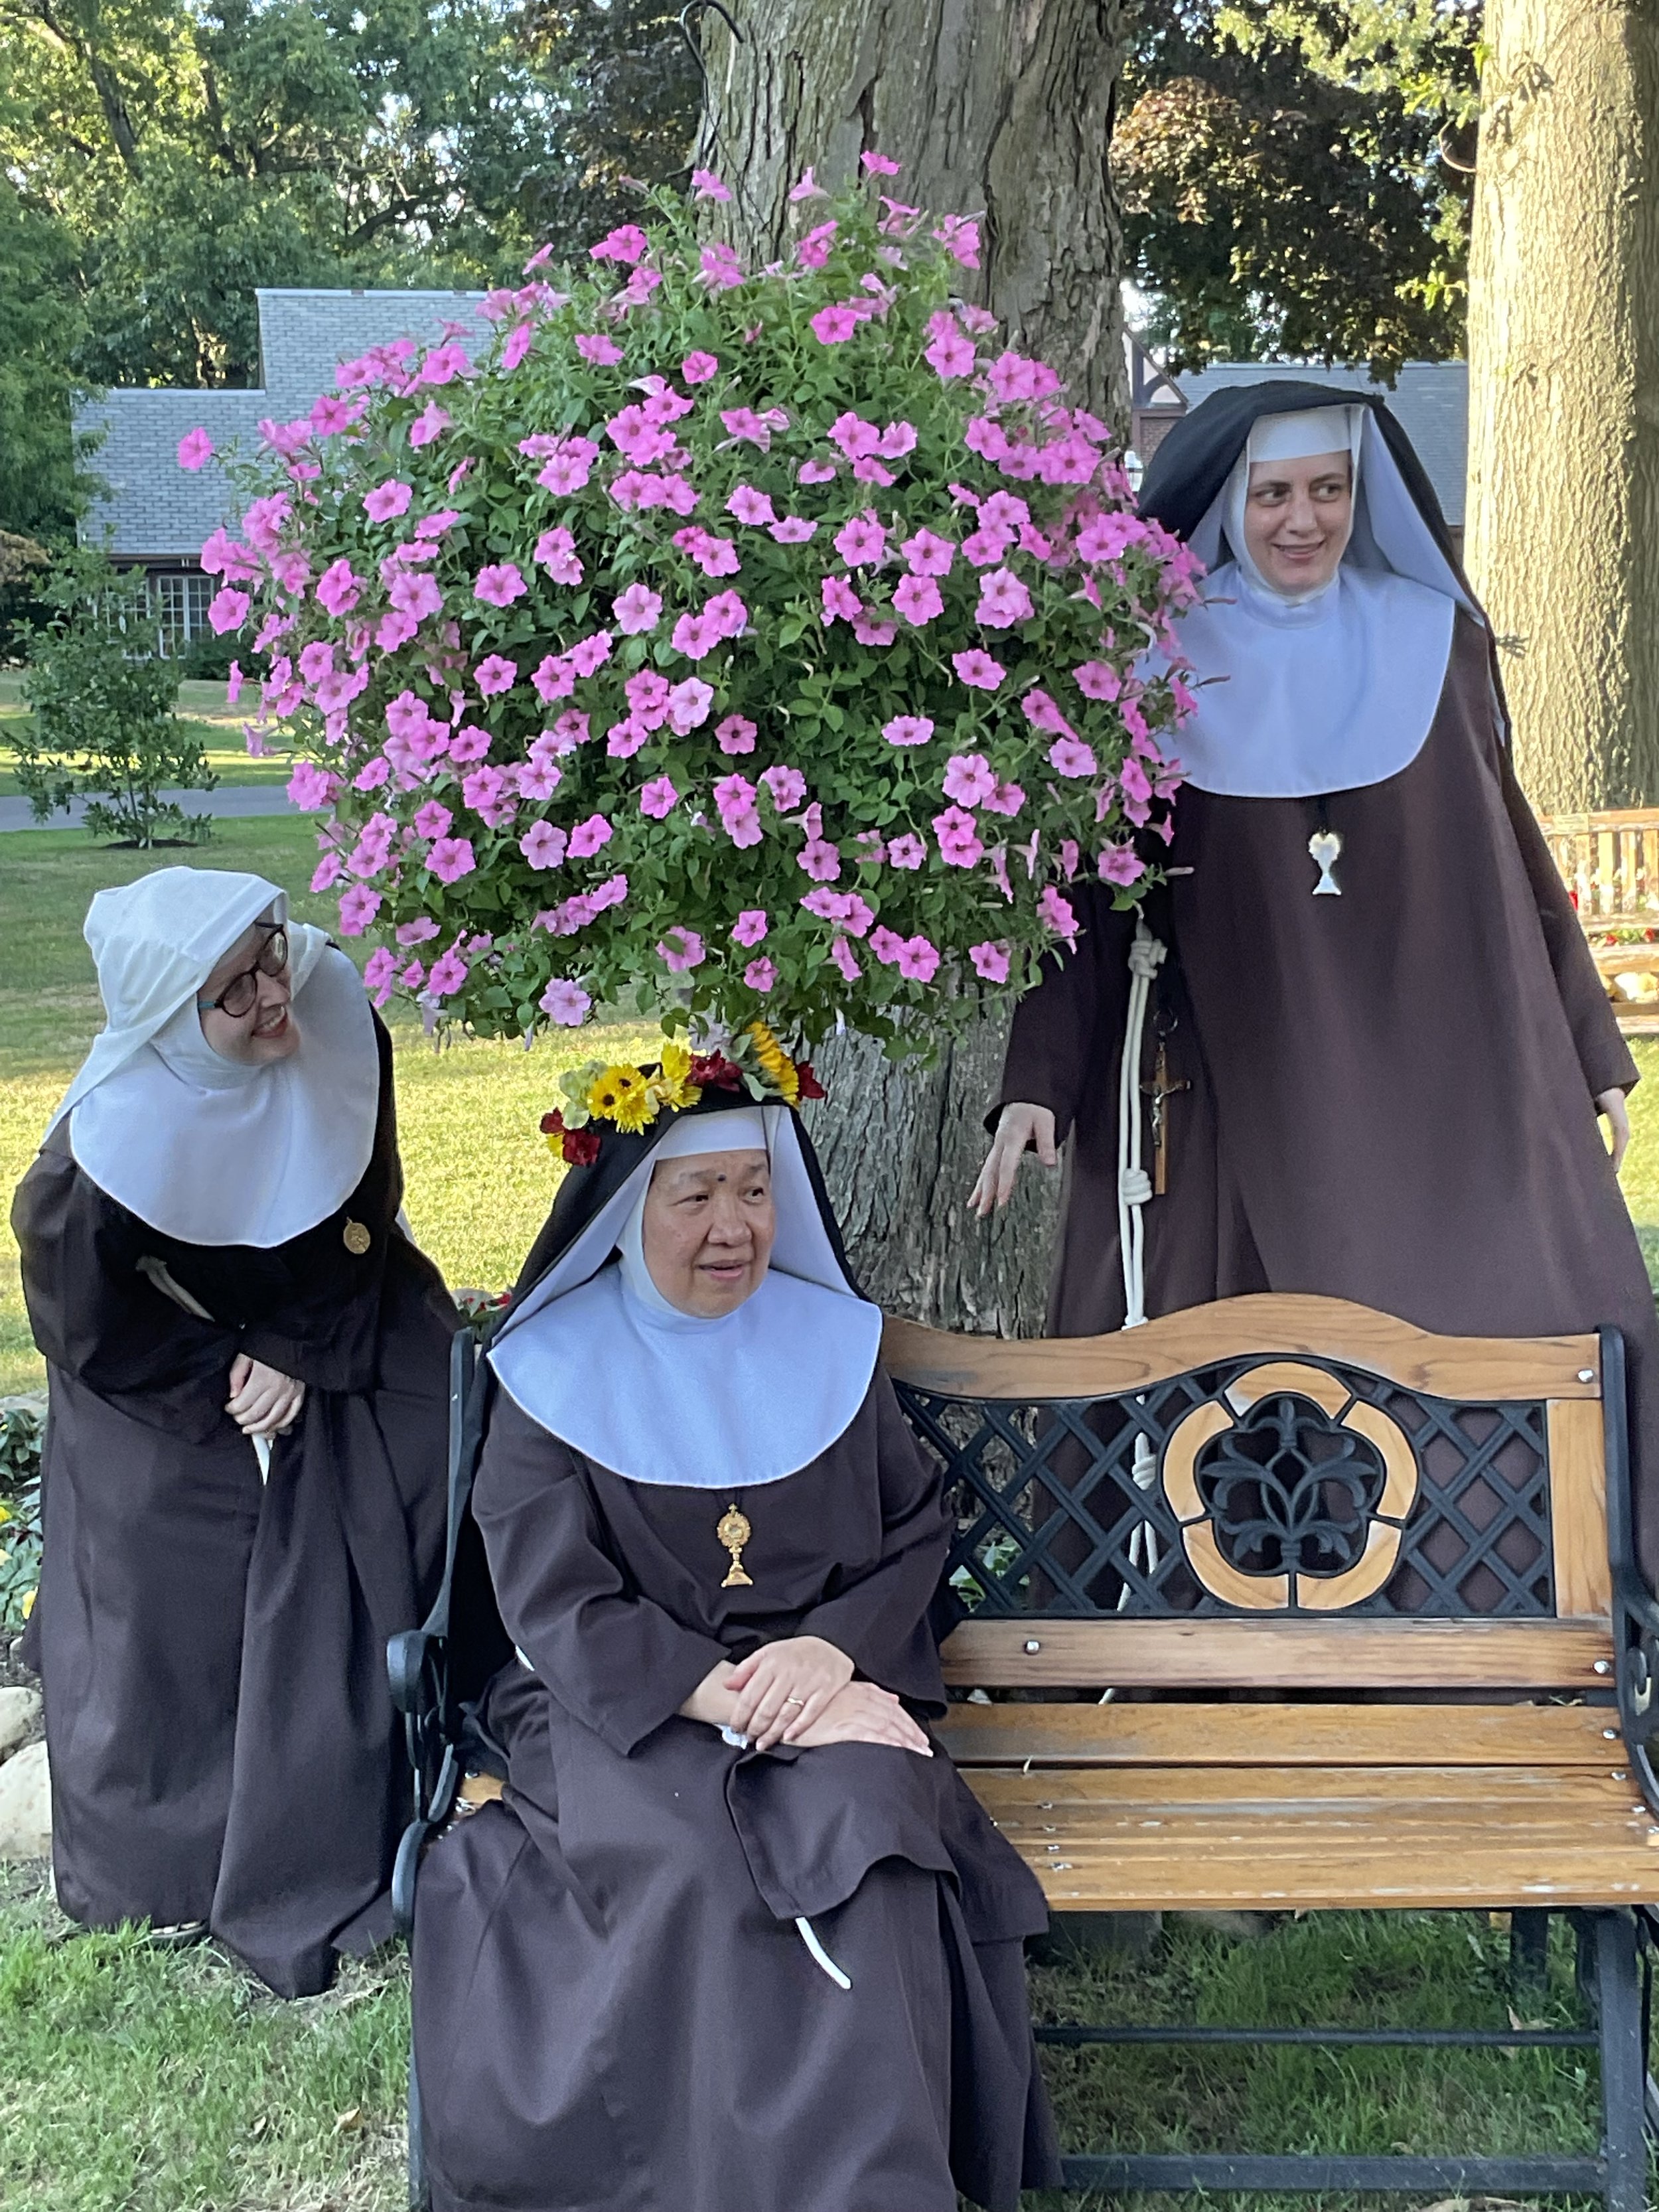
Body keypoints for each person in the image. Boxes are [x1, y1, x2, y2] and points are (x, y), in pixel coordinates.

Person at [972, 381, 1659, 1586]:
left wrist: (1586, 1045)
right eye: (1276, 492)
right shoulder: (1156, 662)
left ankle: (1500, 1615)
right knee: (1230, 1358)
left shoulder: (1430, 639)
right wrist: (1041, 1078)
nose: (1305, 520)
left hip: (1443, 1071)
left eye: (1330, 490)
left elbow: (1509, 849)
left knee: (1511, 1304)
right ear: (1229, 503)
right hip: (1239, 1083)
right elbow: (1092, 894)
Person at [410, 1061, 1060, 2212]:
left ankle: (875, 2189)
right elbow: (554, 1604)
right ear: (629, 1211)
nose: (732, 1229)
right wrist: (727, 1694)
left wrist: (829, 1658)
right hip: (617, 1697)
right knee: (697, 1857)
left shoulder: (831, 1349)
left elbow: (913, 1532)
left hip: (824, 1676)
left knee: (870, 1828)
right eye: (695, 1194)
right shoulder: (554, 1370)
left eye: (754, 1191)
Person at [12, 867, 455, 1996]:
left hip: (337, 1308)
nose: (273, 995)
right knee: (179, 1545)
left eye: (273, 953)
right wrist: (232, 1369)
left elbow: (363, 1198)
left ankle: (427, 1757)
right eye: (235, 990)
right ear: (173, 1023)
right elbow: (91, 1333)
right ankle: (191, 1849)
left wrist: (303, 1346)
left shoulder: (334, 1011)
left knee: (431, 1445)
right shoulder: (95, 1166)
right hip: (166, 1366)